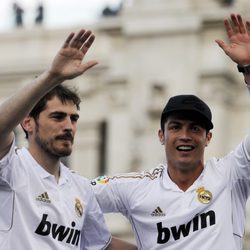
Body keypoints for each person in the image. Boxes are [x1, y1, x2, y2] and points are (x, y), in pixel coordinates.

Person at [91, 13, 250, 250]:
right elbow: (70, 197)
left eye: (195, 128)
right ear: (161, 135)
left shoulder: (231, 174)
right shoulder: (137, 188)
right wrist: (103, 243)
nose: (185, 135)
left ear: (208, 138)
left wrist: (248, 68)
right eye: (176, 127)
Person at [0, 29, 137, 249]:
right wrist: (52, 76)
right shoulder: (11, 168)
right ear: (28, 123)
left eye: (73, 119)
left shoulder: (80, 187)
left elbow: (103, 246)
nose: (68, 126)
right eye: (57, 117)